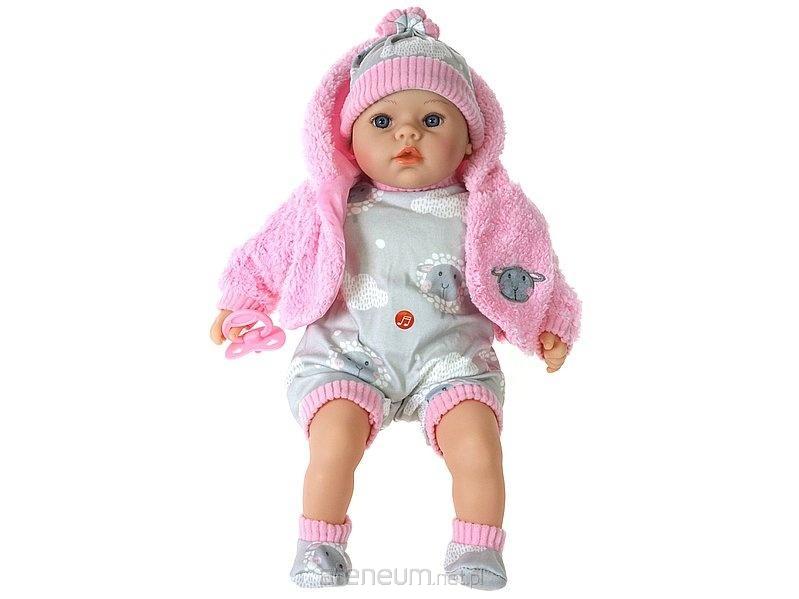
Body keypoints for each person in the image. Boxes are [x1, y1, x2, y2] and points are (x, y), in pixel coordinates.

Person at [209, 7, 582, 589]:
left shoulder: (491, 210)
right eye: (382, 121)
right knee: (333, 441)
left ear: (471, 139)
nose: (408, 134)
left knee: (478, 444)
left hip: (452, 359)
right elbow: (271, 249)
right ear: (349, 137)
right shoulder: (330, 200)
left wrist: (548, 322)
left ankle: (476, 550)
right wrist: (244, 301)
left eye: (433, 119)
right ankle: (319, 546)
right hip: (347, 354)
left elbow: (532, 265)